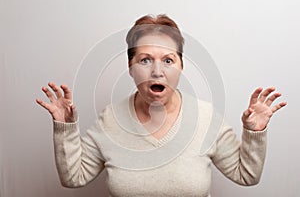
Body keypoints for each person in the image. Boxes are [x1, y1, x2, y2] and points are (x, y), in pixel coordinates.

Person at [36, 14, 287, 197]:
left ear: (181, 66)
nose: (157, 72)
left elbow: (247, 176)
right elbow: (73, 178)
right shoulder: (110, 120)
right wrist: (65, 127)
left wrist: (254, 132)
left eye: (168, 60)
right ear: (130, 67)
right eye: (145, 60)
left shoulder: (205, 118)